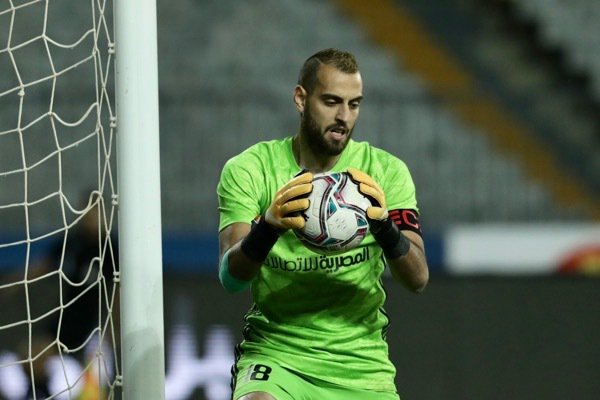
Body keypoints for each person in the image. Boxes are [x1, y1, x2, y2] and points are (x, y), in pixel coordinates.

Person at [217, 48, 429, 400]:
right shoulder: (251, 169)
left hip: (361, 365)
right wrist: (268, 227)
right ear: (301, 99)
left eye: (354, 104)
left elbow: (418, 278)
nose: (344, 117)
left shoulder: (385, 172)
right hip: (278, 355)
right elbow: (231, 278)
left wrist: (384, 228)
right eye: (331, 102)